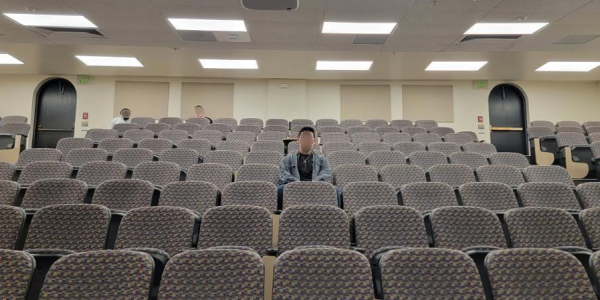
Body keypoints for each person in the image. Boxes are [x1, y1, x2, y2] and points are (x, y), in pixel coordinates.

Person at [278, 126, 341, 205]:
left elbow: (326, 174)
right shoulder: (288, 159)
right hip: (295, 187)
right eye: (304, 137)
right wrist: (297, 182)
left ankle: (337, 215)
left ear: (314, 141)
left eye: (309, 138)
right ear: (298, 140)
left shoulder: (322, 159)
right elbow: (283, 174)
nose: (306, 140)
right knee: (280, 189)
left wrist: (312, 183)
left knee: (336, 190)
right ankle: (281, 213)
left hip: (316, 187)